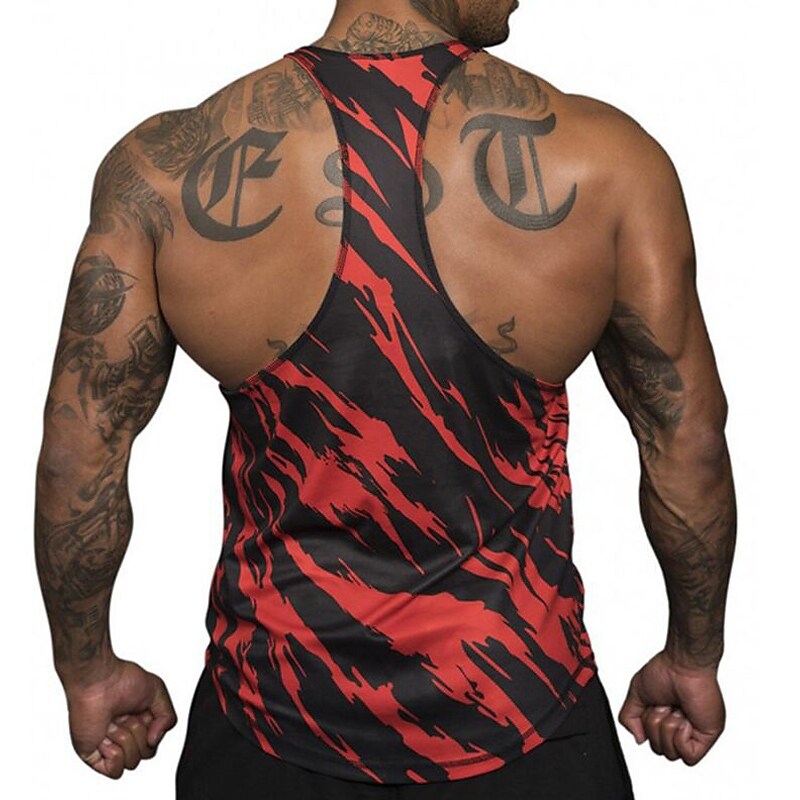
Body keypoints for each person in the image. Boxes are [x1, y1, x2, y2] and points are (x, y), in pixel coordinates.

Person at [34, 0, 736, 797]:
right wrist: (693, 657)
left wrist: (88, 674)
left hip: (271, 731)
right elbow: (688, 439)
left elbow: (78, 453)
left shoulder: (164, 171)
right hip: (523, 724)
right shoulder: (611, 163)